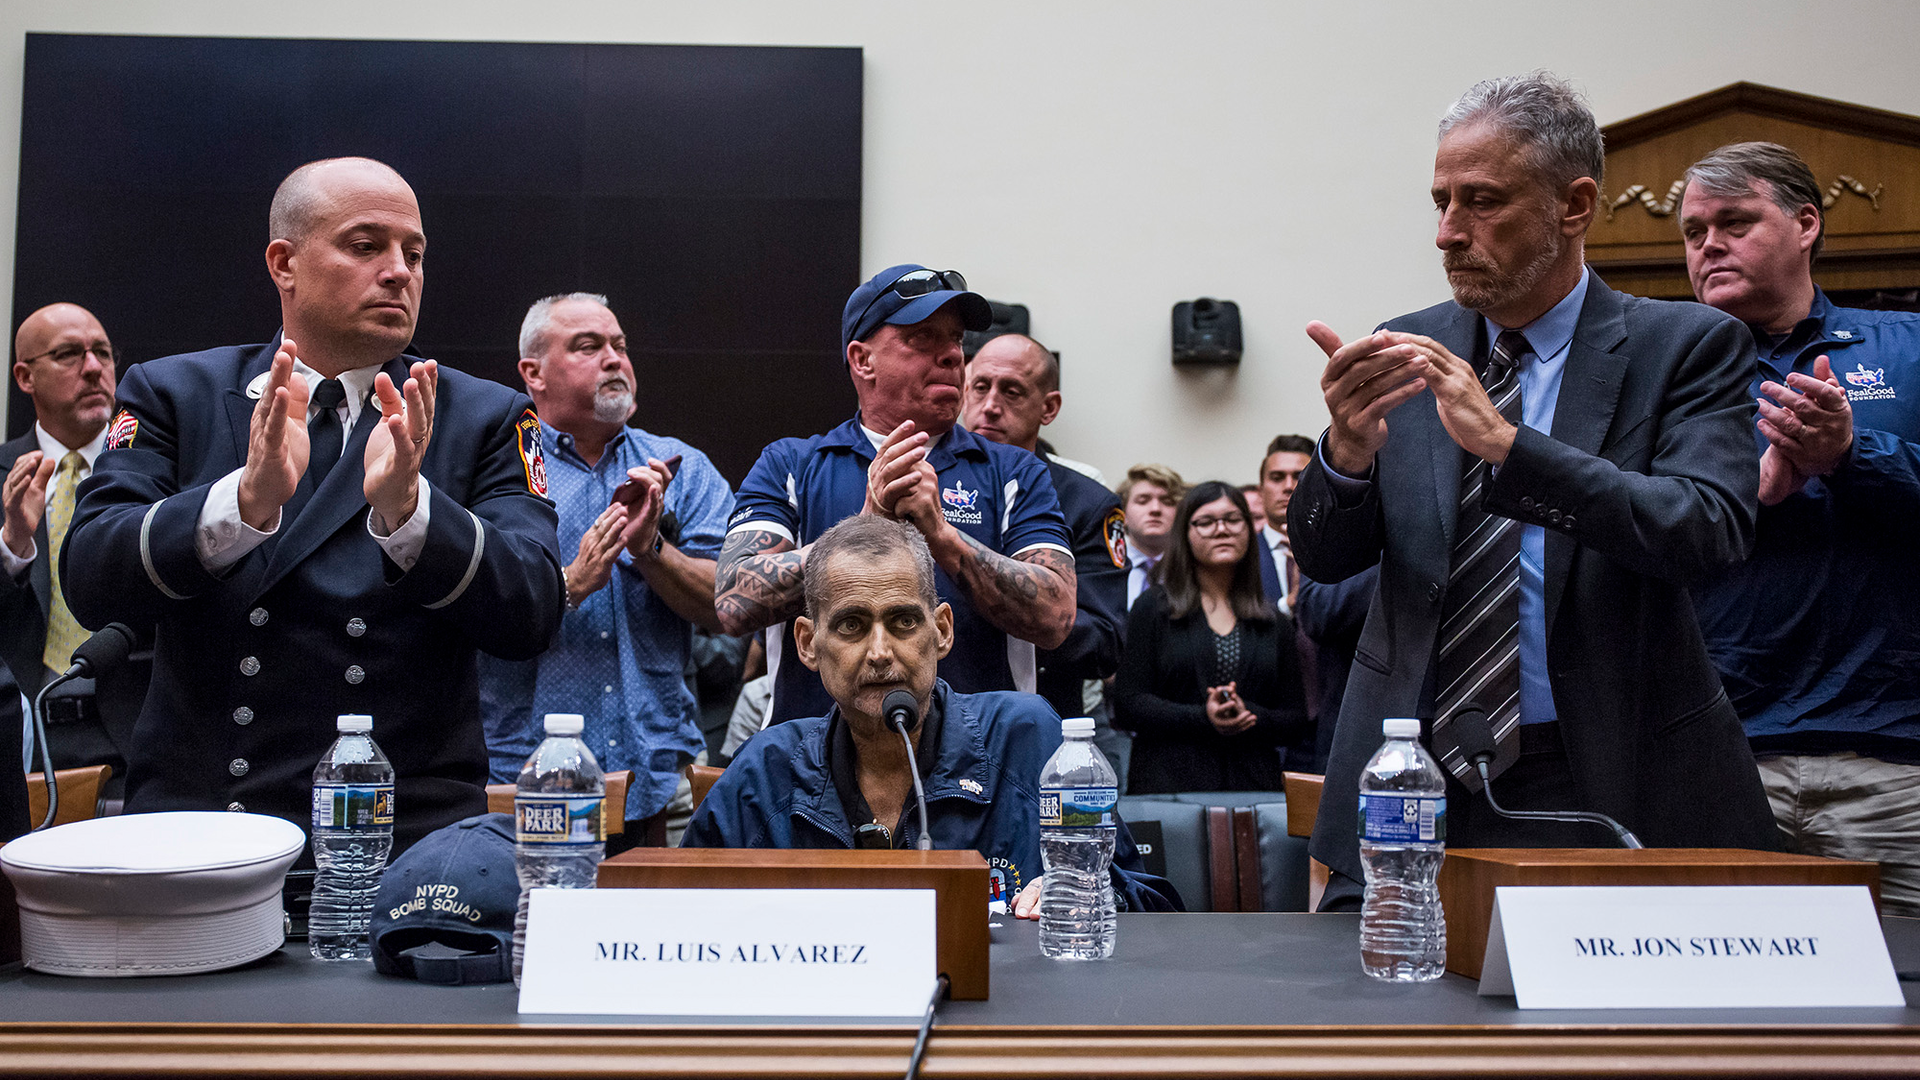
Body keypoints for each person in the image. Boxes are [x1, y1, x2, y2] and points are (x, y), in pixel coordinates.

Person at [1290, 73, 1780, 909]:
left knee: (1591, 1034)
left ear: (1574, 205)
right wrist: (1345, 454)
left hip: (1599, 766)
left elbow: (1707, 529)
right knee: (1383, 1027)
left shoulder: (1687, 347)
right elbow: (1326, 561)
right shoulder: (1408, 345)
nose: (1449, 232)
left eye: (1482, 201)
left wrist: (1511, 448)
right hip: (1408, 767)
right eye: (1441, 201)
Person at [65, 157, 564, 855]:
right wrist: (242, 502)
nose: (399, 272)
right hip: (203, 830)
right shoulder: (174, 393)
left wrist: (411, 513)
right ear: (284, 263)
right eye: (366, 247)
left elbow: (534, 609)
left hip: (403, 838)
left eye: (414, 254)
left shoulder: (484, 415)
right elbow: (91, 577)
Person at [685, 515, 1181, 915]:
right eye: (852, 626)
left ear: (942, 631)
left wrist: (1086, 897)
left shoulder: (1030, 738)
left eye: (903, 622)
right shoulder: (766, 767)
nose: (880, 652)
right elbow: (671, 911)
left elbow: (1150, 904)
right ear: (808, 644)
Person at [1680, 142, 1920, 916]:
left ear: (1806, 223)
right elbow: (1615, 528)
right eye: (1692, 232)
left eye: (1735, 222)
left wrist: (1852, 456)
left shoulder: (1907, 349)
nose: (1708, 244)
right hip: (1720, 760)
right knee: (1719, 1022)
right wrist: (1742, 497)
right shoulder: (1659, 374)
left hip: (1892, 766)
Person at [715, 265, 1076, 725]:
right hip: (816, 770)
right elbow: (732, 602)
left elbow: (1057, 617)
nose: (951, 355)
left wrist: (943, 538)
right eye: (923, 338)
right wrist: (867, 528)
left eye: (956, 339)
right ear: (863, 360)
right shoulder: (791, 463)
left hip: (981, 764)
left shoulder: (1013, 470)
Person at [477, 293, 733, 847]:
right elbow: (463, 606)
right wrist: (566, 585)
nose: (614, 359)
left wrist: (649, 549)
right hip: (531, 777)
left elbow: (728, 606)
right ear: (533, 374)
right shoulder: (499, 471)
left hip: (660, 774)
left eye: (619, 345)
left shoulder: (680, 470)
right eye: (588, 347)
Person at [2, 304, 149, 803]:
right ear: (25, 376)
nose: (93, 368)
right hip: (23, 732)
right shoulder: (3, 474)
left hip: (133, 734)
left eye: (103, 353)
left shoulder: (150, 471)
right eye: (68, 354)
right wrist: (12, 545)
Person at [960, 333, 1127, 724]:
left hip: (1044, 724)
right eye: (980, 387)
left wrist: (1013, 607)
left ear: (1048, 408)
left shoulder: (1087, 501)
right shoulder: (930, 484)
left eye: (1012, 391)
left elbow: (1105, 642)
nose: (990, 406)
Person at [1114, 482, 1307, 793]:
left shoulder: (1274, 621)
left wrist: (1252, 715)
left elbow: (1295, 720)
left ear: (1248, 529)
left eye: (1233, 519)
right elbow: (1128, 705)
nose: (1221, 530)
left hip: (1254, 791)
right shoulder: (1154, 608)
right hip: (1168, 790)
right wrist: (1201, 716)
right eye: (1206, 522)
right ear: (1185, 534)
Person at [1257, 432, 1372, 774]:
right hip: (1268, 719)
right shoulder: (1238, 554)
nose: (1288, 486)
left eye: (1299, 477)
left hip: (1336, 709)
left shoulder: (1345, 546)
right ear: (1261, 485)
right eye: (1277, 478)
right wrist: (1285, 608)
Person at [1116, 463, 1184, 609]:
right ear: (1123, 515)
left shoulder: (1193, 570)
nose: (1155, 509)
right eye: (1143, 501)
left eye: (1167, 502)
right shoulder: (1106, 567)